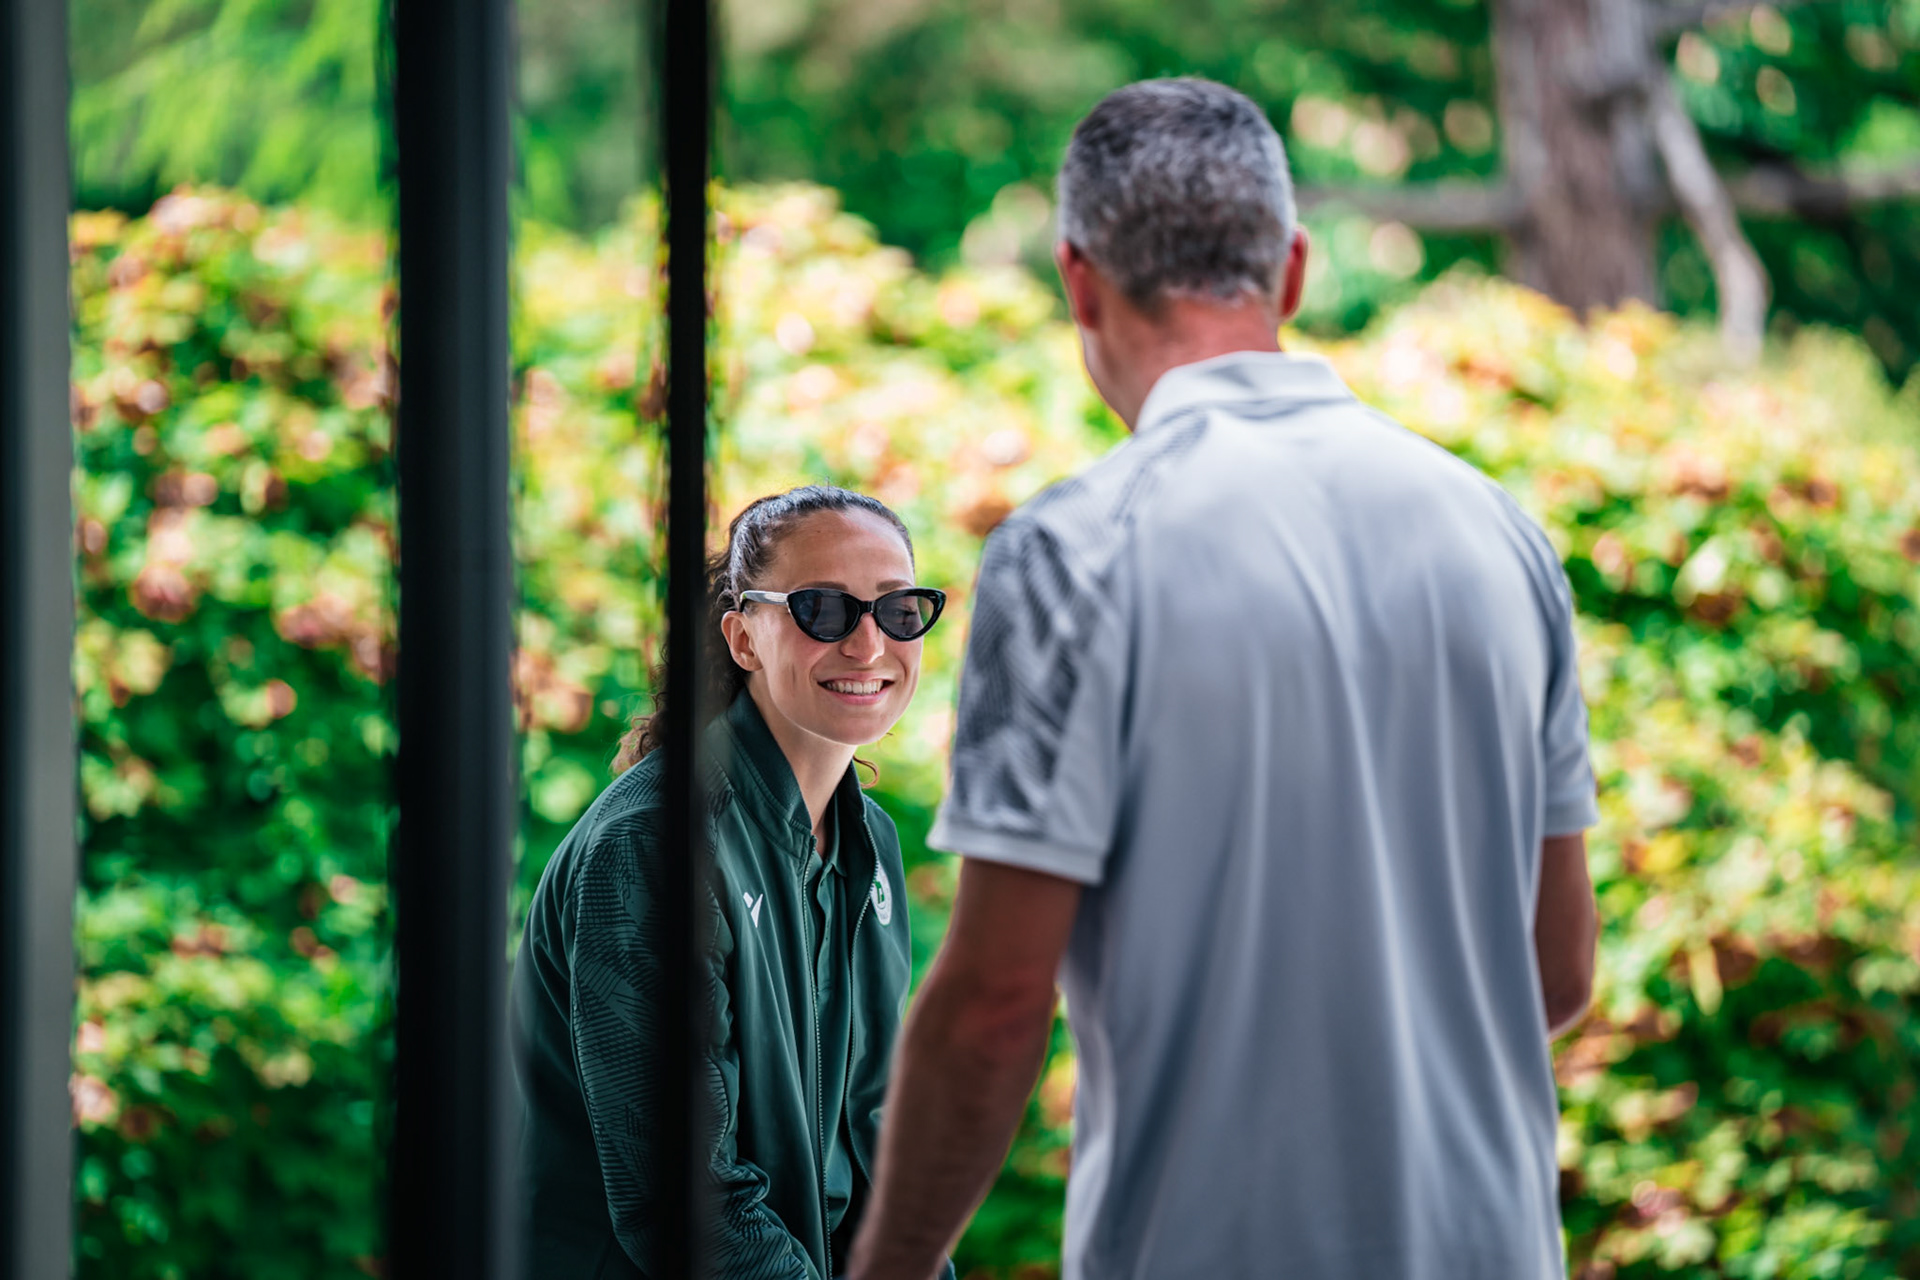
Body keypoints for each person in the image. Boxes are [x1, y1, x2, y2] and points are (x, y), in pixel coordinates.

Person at [848, 78, 1600, 1280]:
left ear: (1078, 280)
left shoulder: (1073, 550)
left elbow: (995, 1006)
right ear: (1292, 271)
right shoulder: (1499, 532)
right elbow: (1555, 969)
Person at [512, 484, 955, 1279]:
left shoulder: (871, 843)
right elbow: (686, 1204)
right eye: (823, 609)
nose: (868, 645)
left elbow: (876, 1147)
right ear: (744, 637)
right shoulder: (653, 843)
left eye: (897, 610)